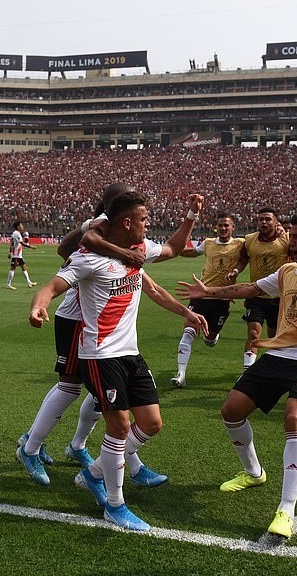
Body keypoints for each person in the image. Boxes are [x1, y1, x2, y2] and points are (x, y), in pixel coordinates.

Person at [29, 191, 208, 532]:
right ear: (127, 222)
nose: (148, 223)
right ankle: (115, 505)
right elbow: (51, 287)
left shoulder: (139, 251)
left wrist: (191, 215)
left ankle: (95, 472)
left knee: (152, 423)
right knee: (120, 427)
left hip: (131, 354)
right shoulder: (89, 259)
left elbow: (171, 249)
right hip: (100, 355)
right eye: (144, 219)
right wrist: (38, 306)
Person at [176, 214, 297, 542]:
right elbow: (252, 287)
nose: (291, 242)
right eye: (292, 235)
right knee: (231, 410)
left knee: (295, 419)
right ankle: (253, 472)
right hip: (279, 354)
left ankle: (286, 509)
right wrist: (210, 291)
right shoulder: (288, 271)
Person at [173, 213, 245, 388]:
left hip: (222, 298)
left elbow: (245, 259)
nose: (223, 228)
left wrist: (235, 271)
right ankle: (181, 374)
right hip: (200, 295)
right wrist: (175, 248)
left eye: (226, 225)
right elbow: (192, 252)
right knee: (188, 331)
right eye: (220, 225)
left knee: (209, 339)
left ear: (233, 227)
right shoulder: (209, 243)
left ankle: (213, 337)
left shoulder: (240, 244)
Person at [226, 207, 289, 371]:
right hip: (256, 294)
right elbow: (243, 260)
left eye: (268, 219)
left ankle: (274, 367)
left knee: (274, 336)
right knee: (253, 333)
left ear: (276, 222)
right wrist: (236, 270)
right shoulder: (250, 239)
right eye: (261, 219)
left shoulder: (285, 240)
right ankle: (248, 371)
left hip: (279, 297)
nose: (264, 222)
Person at [6, 222, 37, 289]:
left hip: (18, 255)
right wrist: (31, 247)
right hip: (16, 255)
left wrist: (10, 252)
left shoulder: (16, 233)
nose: (22, 226)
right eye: (21, 225)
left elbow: (12, 244)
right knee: (13, 268)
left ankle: (29, 282)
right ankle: (8, 284)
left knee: (24, 267)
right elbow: (22, 243)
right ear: (18, 227)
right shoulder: (16, 234)